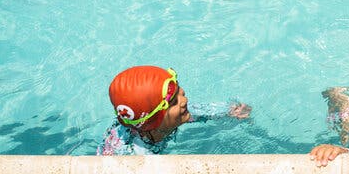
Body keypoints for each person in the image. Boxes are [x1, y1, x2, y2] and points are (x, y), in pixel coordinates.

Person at [97, 65, 251, 155]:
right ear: (153, 121)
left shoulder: (170, 118)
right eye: (174, 101)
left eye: (178, 90)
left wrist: (230, 111)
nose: (184, 99)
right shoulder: (135, 153)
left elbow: (197, 111)